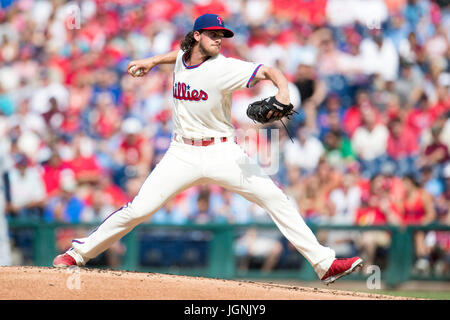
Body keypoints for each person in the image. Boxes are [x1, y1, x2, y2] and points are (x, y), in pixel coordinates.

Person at [53, 14, 363, 284]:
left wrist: (283, 91)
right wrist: (150, 61)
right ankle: (77, 254)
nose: (219, 39)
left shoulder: (224, 68)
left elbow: (270, 71)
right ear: (197, 36)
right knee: (138, 209)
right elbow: (177, 56)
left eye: (222, 35)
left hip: (222, 153)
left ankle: (324, 264)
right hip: (182, 153)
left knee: (275, 198)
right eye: (213, 34)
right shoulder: (183, 57)